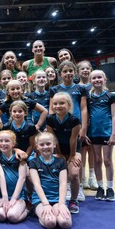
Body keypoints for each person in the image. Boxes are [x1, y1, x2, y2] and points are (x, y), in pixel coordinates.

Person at [49, 60, 88, 202]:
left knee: (76, 164)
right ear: (60, 74)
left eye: (71, 71)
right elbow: (52, 136)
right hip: (59, 131)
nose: (68, 73)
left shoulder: (80, 89)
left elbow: (83, 109)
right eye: (65, 71)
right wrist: (58, 152)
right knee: (60, 168)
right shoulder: (54, 91)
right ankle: (63, 189)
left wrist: (83, 128)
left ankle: (78, 189)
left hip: (74, 129)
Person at [46, 92, 81, 214]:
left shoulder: (74, 120)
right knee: (55, 172)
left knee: (74, 174)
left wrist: (72, 156)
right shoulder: (50, 119)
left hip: (74, 149)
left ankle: (74, 199)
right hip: (59, 149)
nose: (58, 106)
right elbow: (53, 138)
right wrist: (59, 153)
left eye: (61, 103)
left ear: (69, 104)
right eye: (55, 103)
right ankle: (56, 198)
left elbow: (73, 139)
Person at [29, 132, 72, 229]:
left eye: (48, 143)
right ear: (37, 147)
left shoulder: (61, 162)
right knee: (50, 223)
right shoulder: (33, 162)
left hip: (57, 199)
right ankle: (38, 213)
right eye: (42, 144)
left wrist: (61, 203)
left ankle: (55, 210)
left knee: (65, 223)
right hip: (40, 200)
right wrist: (46, 204)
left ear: (54, 144)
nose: (45, 147)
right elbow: (37, 184)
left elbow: (63, 183)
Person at [87, 70, 115, 201]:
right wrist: (86, 133)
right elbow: (87, 116)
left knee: (107, 160)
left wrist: (114, 134)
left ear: (104, 79)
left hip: (106, 132)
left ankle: (110, 188)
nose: (97, 80)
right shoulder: (89, 97)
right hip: (94, 134)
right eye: (94, 78)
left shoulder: (110, 96)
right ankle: (100, 187)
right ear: (90, 81)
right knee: (97, 161)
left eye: (99, 77)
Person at [0, 130, 28, 223]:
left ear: (13, 144)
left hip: (19, 196)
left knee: (12, 216)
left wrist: (14, 198)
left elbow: (22, 178)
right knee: (0, 215)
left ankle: (27, 210)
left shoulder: (19, 157)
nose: (3, 143)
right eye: (1, 141)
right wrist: (4, 197)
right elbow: (1, 176)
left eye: (7, 141)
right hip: (4, 195)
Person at [77, 60, 98, 190]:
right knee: (82, 150)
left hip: (94, 123)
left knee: (93, 151)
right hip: (82, 123)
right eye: (82, 69)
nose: (85, 70)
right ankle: (83, 177)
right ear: (78, 72)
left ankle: (92, 176)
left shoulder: (95, 86)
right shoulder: (77, 88)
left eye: (87, 68)